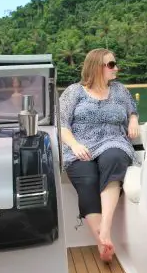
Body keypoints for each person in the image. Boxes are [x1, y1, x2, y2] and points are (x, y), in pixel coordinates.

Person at [59, 48, 140, 262]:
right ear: (97, 67)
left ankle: (105, 230)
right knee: (87, 178)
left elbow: (132, 110)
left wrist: (133, 121)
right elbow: (61, 125)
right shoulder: (74, 92)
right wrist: (74, 145)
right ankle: (102, 242)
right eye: (111, 65)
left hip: (114, 140)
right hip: (81, 145)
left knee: (114, 158)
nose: (116, 68)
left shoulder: (120, 90)